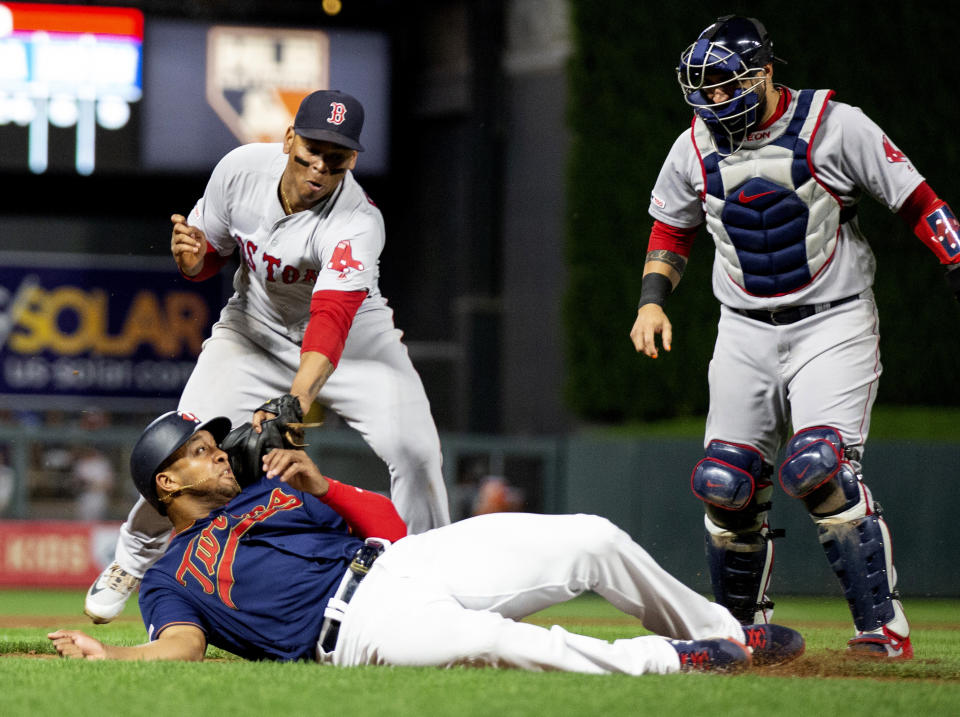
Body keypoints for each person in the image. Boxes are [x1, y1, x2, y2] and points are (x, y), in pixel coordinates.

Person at [631, 15, 960, 660]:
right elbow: (671, 229)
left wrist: (954, 258)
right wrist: (651, 303)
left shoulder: (836, 126)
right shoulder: (692, 147)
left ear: (766, 74)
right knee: (725, 483)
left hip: (833, 320)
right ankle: (738, 633)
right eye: (704, 90)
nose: (715, 102)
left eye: (727, 88)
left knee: (820, 469)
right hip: (742, 329)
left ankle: (881, 630)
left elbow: (919, 201)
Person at [50, 411, 805, 673]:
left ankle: (724, 631)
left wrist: (323, 486)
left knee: (590, 536)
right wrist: (112, 655)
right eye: (193, 450)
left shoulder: (268, 488)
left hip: (399, 563)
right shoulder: (171, 574)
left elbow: (392, 529)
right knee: (499, 640)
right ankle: (672, 662)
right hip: (355, 629)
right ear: (165, 488)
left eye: (211, 440)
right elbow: (181, 647)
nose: (215, 448)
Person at [84, 90, 451, 624]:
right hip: (252, 327)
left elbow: (329, 323)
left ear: (353, 159)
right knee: (181, 450)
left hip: (354, 346)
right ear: (288, 140)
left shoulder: (357, 220)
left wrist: (293, 403)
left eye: (338, 156)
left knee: (417, 450)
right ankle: (130, 560)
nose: (322, 166)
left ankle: (435, 576)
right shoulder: (240, 170)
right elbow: (208, 253)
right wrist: (192, 260)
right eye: (313, 149)